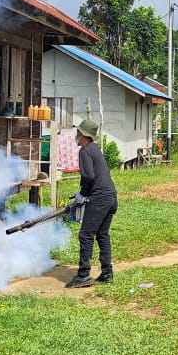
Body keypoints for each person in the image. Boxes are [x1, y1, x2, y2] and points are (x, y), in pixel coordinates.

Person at [67, 118, 119, 288]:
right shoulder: (94, 149)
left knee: (85, 235)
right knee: (102, 234)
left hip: (100, 198)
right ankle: (107, 273)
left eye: (77, 131)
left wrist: (83, 193)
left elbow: (88, 176)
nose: (76, 134)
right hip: (111, 197)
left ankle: (83, 276)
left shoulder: (85, 151)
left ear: (82, 134)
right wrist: (85, 193)